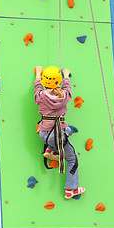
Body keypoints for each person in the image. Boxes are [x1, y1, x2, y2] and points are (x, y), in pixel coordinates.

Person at [34, 66, 85, 199]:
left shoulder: (40, 96)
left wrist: (38, 74)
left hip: (43, 133)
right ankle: (71, 189)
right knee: (72, 158)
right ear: (59, 81)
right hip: (56, 135)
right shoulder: (64, 96)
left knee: (63, 135)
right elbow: (68, 88)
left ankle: (51, 150)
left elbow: (37, 88)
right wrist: (66, 75)